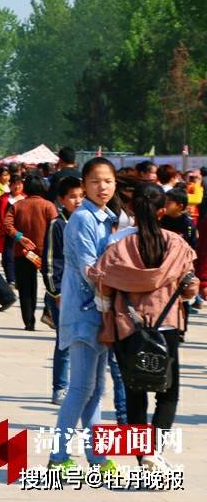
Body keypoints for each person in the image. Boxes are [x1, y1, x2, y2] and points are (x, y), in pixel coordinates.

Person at [90, 182, 199, 471]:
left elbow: (103, 288)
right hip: (167, 327)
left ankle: (143, 456)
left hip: (128, 327)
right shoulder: (176, 245)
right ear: (162, 211)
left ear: (132, 209)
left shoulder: (118, 246)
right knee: (168, 392)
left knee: (135, 391)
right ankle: (157, 451)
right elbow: (189, 290)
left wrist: (104, 314)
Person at [47, 158, 122, 476]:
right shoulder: (82, 220)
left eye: (107, 181)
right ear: (84, 185)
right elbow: (91, 269)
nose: (102, 187)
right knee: (80, 388)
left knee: (96, 389)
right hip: (84, 313)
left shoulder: (110, 218)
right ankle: (58, 455)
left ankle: (97, 457)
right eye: (95, 181)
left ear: (114, 183)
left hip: (102, 312)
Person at [42, 175, 84, 405]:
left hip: (87, 293)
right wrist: (56, 292)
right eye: (72, 197)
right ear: (61, 200)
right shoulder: (57, 225)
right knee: (64, 342)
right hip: (63, 294)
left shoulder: (90, 222)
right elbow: (50, 262)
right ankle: (60, 387)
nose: (77, 201)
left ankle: (81, 386)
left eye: (81, 196)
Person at [3, 174, 58, 330]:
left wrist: (20, 237)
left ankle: (29, 321)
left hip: (23, 252)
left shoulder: (18, 205)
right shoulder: (49, 206)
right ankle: (49, 313)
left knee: (26, 288)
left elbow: (7, 224)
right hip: (46, 253)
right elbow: (55, 227)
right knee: (52, 285)